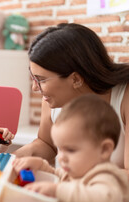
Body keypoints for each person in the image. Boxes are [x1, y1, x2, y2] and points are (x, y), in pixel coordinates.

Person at [13, 23, 129, 171]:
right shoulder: (51, 101)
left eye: (41, 79)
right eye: (33, 78)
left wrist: (66, 186)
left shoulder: (124, 97)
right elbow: (46, 143)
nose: (35, 87)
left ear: (75, 79)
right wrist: (10, 159)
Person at [13, 94, 129, 202]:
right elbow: (59, 176)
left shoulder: (107, 177)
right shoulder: (75, 173)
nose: (61, 157)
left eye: (71, 150)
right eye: (60, 149)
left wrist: (56, 190)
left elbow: (104, 201)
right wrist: (41, 165)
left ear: (104, 150)